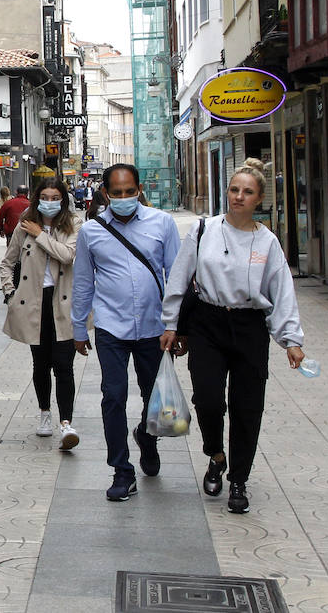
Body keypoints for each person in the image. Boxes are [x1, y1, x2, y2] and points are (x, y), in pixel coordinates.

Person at [160, 158, 305, 514]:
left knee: (247, 406)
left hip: (249, 327)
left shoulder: (267, 242)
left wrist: (291, 339)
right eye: (234, 189)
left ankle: (239, 479)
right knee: (208, 399)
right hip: (208, 324)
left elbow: (281, 290)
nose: (239, 197)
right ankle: (216, 455)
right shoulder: (204, 230)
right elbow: (180, 277)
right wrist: (170, 322)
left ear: (259, 199)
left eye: (248, 192)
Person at [71, 163, 179, 502]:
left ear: (139, 189)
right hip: (110, 327)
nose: (123, 198)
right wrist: (78, 326)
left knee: (154, 399)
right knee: (113, 397)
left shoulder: (162, 223)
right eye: (116, 193)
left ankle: (147, 438)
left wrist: (177, 325)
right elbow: (84, 281)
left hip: (153, 328)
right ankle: (122, 470)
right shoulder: (92, 231)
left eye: (129, 191)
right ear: (105, 193)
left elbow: (175, 277)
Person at [2, 178, 80, 450]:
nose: (50, 201)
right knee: (41, 363)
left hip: (63, 303)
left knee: (64, 366)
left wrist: (40, 234)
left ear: (63, 199)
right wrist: (10, 293)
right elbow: (8, 261)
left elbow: (67, 255)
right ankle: (45, 413)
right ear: (37, 199)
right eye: (44, 196)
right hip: (34, 303)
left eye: (55, 196)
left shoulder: (73, 224)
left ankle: (66, 423)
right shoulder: (25, 223)